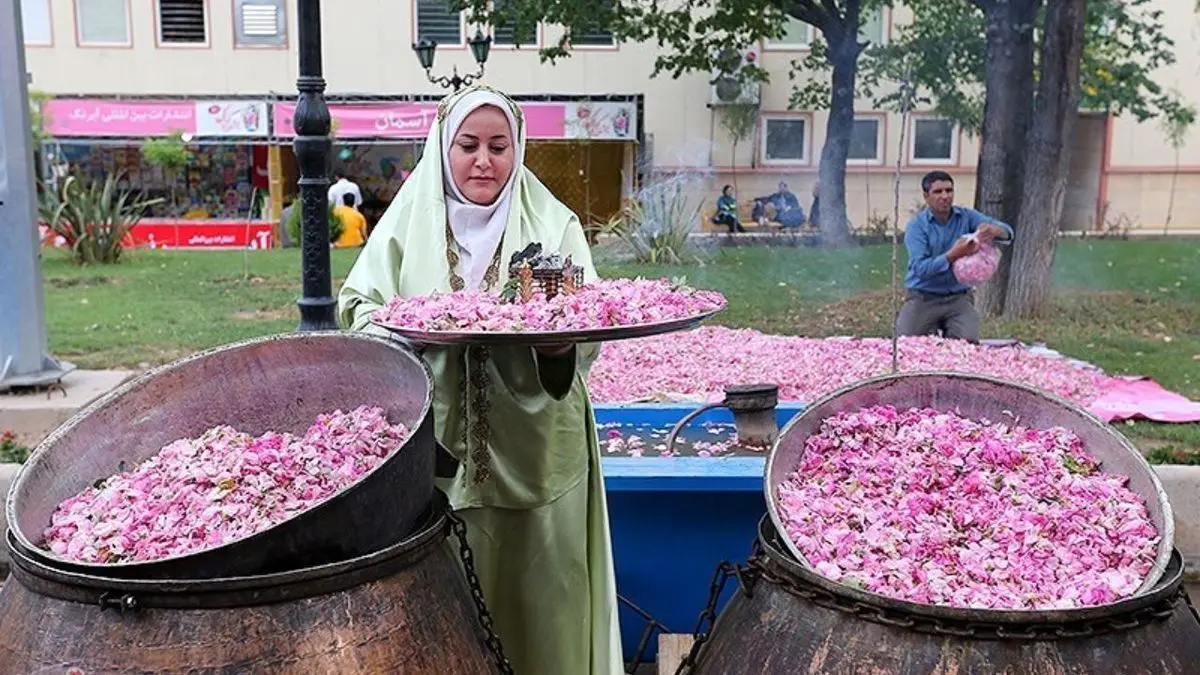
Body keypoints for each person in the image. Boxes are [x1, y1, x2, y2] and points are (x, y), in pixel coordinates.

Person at [338, 86, 622, 675]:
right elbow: (361, 302)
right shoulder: (407, 219)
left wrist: (561, 340)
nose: (484, 161)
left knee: (543, 604)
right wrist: (398, 330)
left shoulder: (553, 223)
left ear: (518, 149)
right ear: (443, 146)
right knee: (447, 612)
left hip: (538, 449)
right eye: (468, 145)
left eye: (499, 146)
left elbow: (587, 315)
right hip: (437, 448)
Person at [897, 170, 1014, 343]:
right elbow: (920, 269)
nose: (945, 196)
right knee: (906, 344)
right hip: (923, 296)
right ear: (926, 196)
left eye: (949, 190)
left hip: (957, 297)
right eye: (938, 192)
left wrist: (995, 230)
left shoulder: (966, 216)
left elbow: (1008, 233)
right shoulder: (917, 227)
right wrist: (952, 255)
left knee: (967, 343)